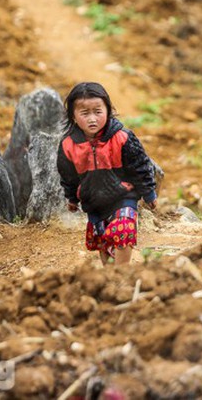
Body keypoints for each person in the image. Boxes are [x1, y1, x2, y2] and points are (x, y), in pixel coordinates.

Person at [57, 82, 158, 266]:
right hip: (94, 201)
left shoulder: (122, 138)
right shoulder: (68, 146)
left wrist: (149, 193)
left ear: (108, 110)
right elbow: (68, 177)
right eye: (84, 113)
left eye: (98, 111)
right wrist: (72, 198)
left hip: (123, 195)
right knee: (103, 241)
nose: (92, 119)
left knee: (123, 231)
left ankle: (122, 272)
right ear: (73, 115)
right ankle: (110, 277)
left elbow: (140, 166)